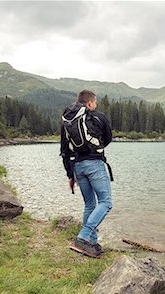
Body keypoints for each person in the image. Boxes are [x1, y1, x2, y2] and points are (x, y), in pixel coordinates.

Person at [60, 89, 113, 258]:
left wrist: (70, 174)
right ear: (90, 103)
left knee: (90, 204)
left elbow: (64, 150)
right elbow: (108, 138)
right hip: (94, 165)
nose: (95, 106)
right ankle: (83, 237)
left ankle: (91, 243)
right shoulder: (98, 116)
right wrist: (95, 148)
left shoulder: (67, 121)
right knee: (105, 202)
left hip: (78, 167)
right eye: (95, 103)